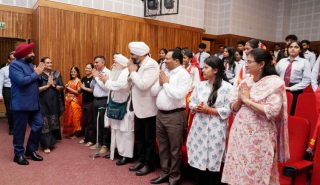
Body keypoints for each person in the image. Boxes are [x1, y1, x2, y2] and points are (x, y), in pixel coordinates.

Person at [222, 48, 290, 185]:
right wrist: (241, 100)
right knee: (238, 168)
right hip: (239, 134)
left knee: (255, 171)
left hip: (260, 136)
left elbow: (272, 112)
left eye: (249, 62)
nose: (245, 65)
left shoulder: (274, 84)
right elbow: (233, 107)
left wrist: (247, 101)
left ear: (261, 64)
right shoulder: (245, 82)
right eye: (246, 61)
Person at [187, 56, 232, 185]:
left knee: (213, 159)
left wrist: (209, 110)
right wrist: (197, 107)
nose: (203, 70)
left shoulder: (227, 87)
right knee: (198, 157)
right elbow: (191, 102)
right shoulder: (200, 86)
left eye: (206, 67)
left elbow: (228, 110)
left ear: (216, 70)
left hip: (216, 128)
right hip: (199, 126)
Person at [150, 49, 191, 185]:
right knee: (162, 147)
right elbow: (153, 91)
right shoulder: (165, 72)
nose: (164, 60)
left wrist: (166, 83)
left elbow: (179, 95)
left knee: (174, 149)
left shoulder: (184, 75)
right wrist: (161, 83)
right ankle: (165, 172)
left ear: (177, 61)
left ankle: (174, 177)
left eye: (167, 59)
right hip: (161, 114)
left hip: (175, 115)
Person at [10, 42, 45, 165]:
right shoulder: (14, 66)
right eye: (30, 52)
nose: (33, 54)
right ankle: (18, 154)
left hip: (34, 104)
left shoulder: (30, 65)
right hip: (21, 104)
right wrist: (36, 73)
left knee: (39, 124)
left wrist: (39, 73)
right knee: (20, 131)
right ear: (24, 54)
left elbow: (37, 81)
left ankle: (30, 150)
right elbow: (21, 81)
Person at [127, 41, 159, 176]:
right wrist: (131, 74)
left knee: (148, 139)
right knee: (139, 137)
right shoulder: (138, 64)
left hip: (148, 109)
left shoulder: (151, 64)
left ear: (139, 54)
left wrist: (133, 72)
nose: (131, 56)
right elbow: (132, 82)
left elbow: (144, 85)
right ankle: (141, 160)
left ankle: (149, 164)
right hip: (138, 106)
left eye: (132, 53)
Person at [102, 54, 134, 165]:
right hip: (115, 106)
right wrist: (106, 81)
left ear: (121, 63)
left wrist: (106, 81)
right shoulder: (116, 72)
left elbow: (121, 87)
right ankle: (115, 151)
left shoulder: (125, 72)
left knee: (125, 132)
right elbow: (111, 86)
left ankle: (126, 155)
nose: (113, 64)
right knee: (115, 130)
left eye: (116, 62)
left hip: (124, 107)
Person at [276, 41, 311, 115]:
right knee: (278, 111)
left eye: (296, 47)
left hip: (295, 90)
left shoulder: (305, 62)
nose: (293, 49)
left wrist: (290, 88)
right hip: (280, 88)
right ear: (287, 49)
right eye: (291, 47)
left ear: (300, 50)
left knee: (290, 112)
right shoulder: (282, 61)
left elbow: (306, 80)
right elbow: (275, 75)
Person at [38, 57, 64, 154]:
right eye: (47, 62)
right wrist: (47, 86)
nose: (50, 64)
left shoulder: (56, 74)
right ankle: (45, 145)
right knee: (44, 122)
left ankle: (51, 141)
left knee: (53, 121)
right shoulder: (39, 75)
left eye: (51, 62)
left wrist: (54, 85)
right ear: (43, 64)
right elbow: (36, 89)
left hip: (54, 102)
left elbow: (62, 87)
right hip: (42, 102)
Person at [90, 56, 111, 156]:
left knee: (104, 123)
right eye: (94, 62)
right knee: (97, 122)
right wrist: (94, 78)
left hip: (103, 100)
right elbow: (92, 86)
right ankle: (99, 142)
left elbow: (106, 88)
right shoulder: (96, 73)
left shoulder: (108, 73)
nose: (95, 64)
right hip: (96, 100)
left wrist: (96, 77)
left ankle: (105, 145)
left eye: (97, 62)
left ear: (103, 62)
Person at [63, 66, 82, 138]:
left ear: (77, 73)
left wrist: (69, 88)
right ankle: (71, 132)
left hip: (75, 101)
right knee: (69, 116)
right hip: (68, 101)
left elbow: (78, 92)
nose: (72, 73)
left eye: (74, 72)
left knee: (75, 117)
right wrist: (65, 88)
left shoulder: (78, 81)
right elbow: (65, 92)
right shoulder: (69, 81)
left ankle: (76, 133)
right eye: (72, 72)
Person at [78, 63, 94, 146]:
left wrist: (84, 88)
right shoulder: (83, 78)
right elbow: (80, 91)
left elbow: (93, 90)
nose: (86, 69)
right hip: (84, 102)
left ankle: (91, 140)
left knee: (90, 121)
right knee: (84, 121)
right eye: (86, 68)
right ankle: (85, 138)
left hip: (91, 102)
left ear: (92, 69)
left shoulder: (93, 78)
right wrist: (79, 89)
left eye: (89, 68)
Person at [0, 51, 15, 135]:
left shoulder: (20, 69)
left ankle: (18, 126)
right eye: (13, 59)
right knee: (10, 110)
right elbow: (0, 83)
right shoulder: (3, 70)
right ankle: (11, 128)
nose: (15, 60)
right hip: (8, 90)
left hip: (18, 90)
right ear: (9, 60)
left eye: (16, 58)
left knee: (18, 109)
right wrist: (0, 94)